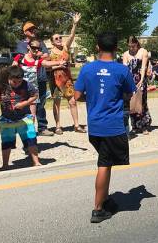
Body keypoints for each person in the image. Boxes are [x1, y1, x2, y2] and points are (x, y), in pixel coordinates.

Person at [74, 32, 136, 224]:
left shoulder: (87, 69)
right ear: (116, 48)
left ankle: (105, 198)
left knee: (106, 163)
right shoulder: (122, 70)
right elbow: (129, 94)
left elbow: (77, 96)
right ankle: (98, 209)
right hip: (112, 126)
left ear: (97, 47)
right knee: (104, 164)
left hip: (94, 126)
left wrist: (92, 98)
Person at [0, 65, 41, 169]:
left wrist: (25, 103)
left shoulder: (27, 85)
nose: (17, 84)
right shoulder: (2, 86)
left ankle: (36, 161)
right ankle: (5, 164)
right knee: (6, 142)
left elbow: (35, 95)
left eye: (19, 82)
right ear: (9, 78)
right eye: (14, 82)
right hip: (7, 119)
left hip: (24, 118)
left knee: (31, 139)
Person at [49, 13, 85, 134]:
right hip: (55, 80)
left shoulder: (65, 48)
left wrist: (75, 24)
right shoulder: (49, 53)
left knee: (72, 101)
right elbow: (47, 67)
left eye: (60, 38)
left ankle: (76, 125)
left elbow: (72, 35)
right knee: (57, 103)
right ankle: (58, 126)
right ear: (52, 42)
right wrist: (57, 65)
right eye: (56, 39)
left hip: (67, 79)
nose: (59, 40)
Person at [15, 22, 52, 136]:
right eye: (30, 29)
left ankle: (42, 127)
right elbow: (26, 57)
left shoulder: (41, 43)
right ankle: (26, 129)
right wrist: (40, 54)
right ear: (25, 32)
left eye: (34, 29)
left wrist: (36, 53)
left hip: (40, 77)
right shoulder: (21, 44)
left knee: (41, 103)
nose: (33, 31)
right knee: (27, 104)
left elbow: (48, 56)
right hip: (27, 80)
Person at [123, 36, 152, 135]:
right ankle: (134, 125)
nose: (132, 48)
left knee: (142, 102)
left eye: (133, 46)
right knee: (131, 102)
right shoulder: (126, 54)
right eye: (129, 46)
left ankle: (144, 126)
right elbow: (124, 69)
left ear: (137, 44)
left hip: (140, 79)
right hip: (129, 80)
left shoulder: (143, 51)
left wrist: (142, 79)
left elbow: (143, 66)